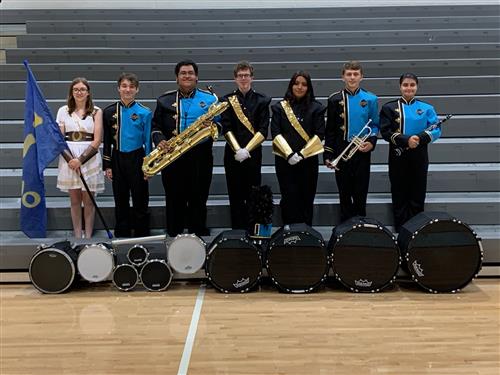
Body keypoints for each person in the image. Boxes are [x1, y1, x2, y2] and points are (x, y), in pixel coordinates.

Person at [151, 59, 219, 237]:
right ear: (177, 78)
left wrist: (212, 128)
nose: (187, 76)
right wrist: (160, 140)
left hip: (201, 155)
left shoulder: (210, 99)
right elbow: (156, 125)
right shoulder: (164, 100)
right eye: (183, 73)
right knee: (174, 199)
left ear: (196, 77)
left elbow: (222, 125)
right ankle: (175, 234)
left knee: (199, 196)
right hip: (173, 155)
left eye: (190, 73)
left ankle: (198, 235)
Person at [380, 73, 441, 232]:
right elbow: (385, 132)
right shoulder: (389, 107)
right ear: (400, 87)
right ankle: (400, 229)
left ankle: (416, 229)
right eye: (405, 85)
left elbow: (436, 130)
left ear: (417, 86)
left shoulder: (427, 108)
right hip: (398, 155)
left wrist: (419, 139)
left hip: (419, 155)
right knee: (399, 192)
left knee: (418, 191)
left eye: (412, 85)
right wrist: (406, 140)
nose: (409, 88)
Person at [324, 61, 379, 222]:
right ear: (343, 77)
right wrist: (328, 153)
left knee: (361, 191)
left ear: (362, 76)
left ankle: (361, 223)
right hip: (342, 149)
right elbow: (330, 130)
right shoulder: (334, 99)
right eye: (349, 74)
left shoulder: (371, 98)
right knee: (344, 191)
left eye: (356, 74)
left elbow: (375, 124)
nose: (352, 77)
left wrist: (371, 142)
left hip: (362, 150)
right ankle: (345, 226)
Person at [220, 61, 271, 230]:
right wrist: (238, 150)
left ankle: (252, 229)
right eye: (240, 76)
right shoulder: (226, 100)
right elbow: (226, 128)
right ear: (235, 78)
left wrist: (247, 150)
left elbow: (263, 129)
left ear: (252, 77)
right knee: (234, 194)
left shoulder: (263, 100)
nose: (243, 78)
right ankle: (237, 229)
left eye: (246, 75)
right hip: (232, 153)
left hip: (253, 154)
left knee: (253, 193)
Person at [271, 71, 326, 226]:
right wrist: (289, 155)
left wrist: (302, 154)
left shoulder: (317, 108)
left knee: (307, 197)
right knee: (288, 196)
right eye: (296, 83)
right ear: (291, 85)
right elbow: (275, 133)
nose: (300, 87)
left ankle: (306, 232)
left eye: (304, 84)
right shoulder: (279, 108)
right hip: (284, 161)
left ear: (308, 87)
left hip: (308, 161)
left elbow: (319, 134)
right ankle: (288, 232)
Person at [102, 73, 152, 238]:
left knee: (140, 198)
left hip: (137, 157)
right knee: (120, 198)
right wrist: (107, 165)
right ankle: (122, 233)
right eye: (124, 86)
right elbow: (107, 140)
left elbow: (147, 139)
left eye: (131, 86)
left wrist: (148, 165)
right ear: (118, 89)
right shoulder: (109, 111)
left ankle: (142, 232)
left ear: (137, 89)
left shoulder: (144, 112)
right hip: (117, 158)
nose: (127, 89)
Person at [56, 78, 104, 239]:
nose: (79, 92)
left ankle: (88, 235)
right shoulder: (63, 110)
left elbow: (97, 140)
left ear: (88, 92)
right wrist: (71, 160)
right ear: (71, 92)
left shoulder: (96, 111)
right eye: (75, 89)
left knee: (89, 200)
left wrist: (80, 160)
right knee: (75, 200)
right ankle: (78, 234)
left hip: (88, 156)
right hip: (69, 157)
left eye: (82, 89)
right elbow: (59, 139)